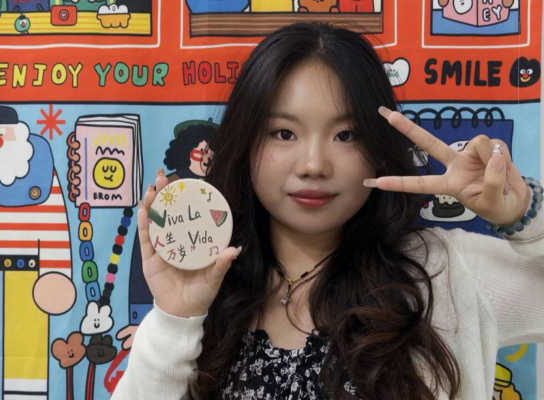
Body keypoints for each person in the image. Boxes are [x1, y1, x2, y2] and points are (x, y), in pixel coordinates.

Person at [112, 22, 544, 400]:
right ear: (246, 143)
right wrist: (175, 318)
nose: (314, 165)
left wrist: (523, 213)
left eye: (345, 135)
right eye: (284, 133)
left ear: (378, 149)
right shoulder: (210, 287)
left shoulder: (446, 273)